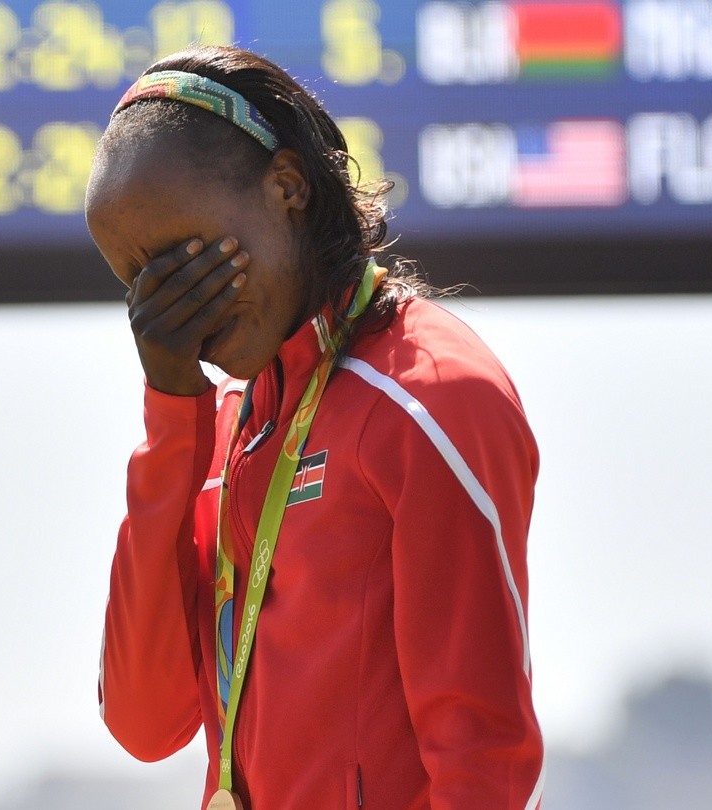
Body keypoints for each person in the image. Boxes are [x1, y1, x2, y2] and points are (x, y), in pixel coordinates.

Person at [87, 45, 543, 810]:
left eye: (183, 257)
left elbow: (485, 762)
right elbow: (146, 722)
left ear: (288, 186)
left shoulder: (429, 397)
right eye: (139, 281)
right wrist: (171, 412)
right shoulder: (224, 429)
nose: (170, 306)